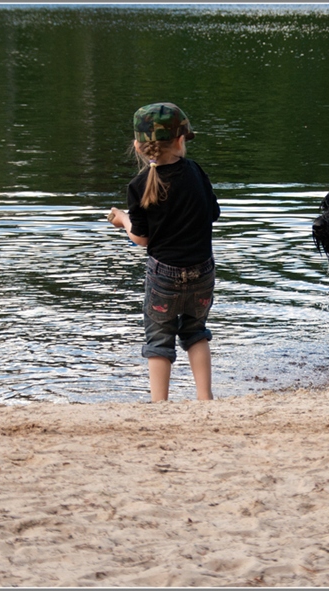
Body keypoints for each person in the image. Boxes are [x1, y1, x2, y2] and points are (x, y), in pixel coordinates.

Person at [109, 102, 220, 402]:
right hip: (202, 272)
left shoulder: (139, 184)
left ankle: (159, 403)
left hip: (163, 277)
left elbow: (141, 239)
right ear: (181, 140)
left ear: (138, 146)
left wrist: (123, 220)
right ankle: (204, 397)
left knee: (159, 340)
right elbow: (213, 214)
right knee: (196, 331)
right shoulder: (196, 172)